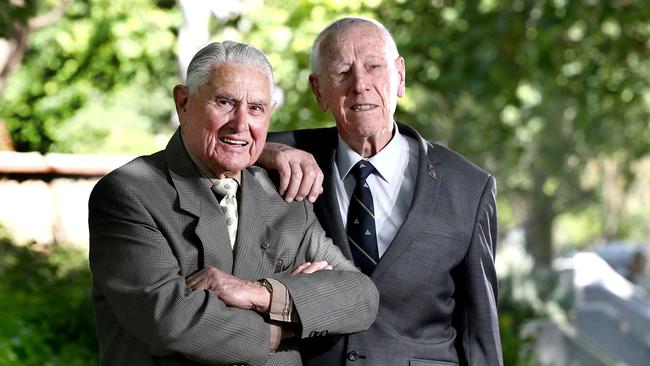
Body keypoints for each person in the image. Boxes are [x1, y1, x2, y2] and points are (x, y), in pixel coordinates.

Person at [88, 40, 379, 366]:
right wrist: (285, 326)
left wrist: (259, 293)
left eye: (256, 108)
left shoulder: (283, 197)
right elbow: (170, 320)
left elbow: (361, 297)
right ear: (183, 102)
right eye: (225, 102)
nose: (241, 124)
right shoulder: (131, 192)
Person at [259, 17, 503, 365]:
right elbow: (204, 147)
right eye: (342, 72)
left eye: (374, 67)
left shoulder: (468, 187)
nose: (360, 84)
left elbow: (479, 332)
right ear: (318, 90)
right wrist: (271, 151)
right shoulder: (279, 160)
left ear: (400, 76)